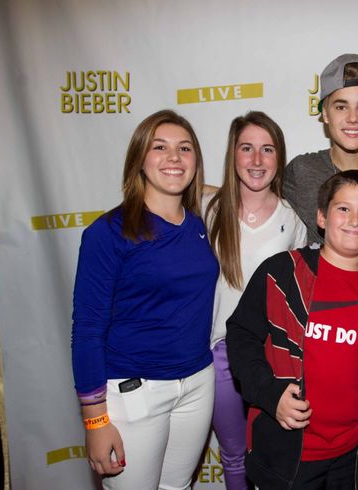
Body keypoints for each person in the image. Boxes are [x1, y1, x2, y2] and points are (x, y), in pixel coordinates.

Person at [71, 109, 218, 489]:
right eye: (160, 147)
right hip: (135, 392)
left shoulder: (197, 225)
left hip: (198, 384)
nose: (174, 157)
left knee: (178, 487)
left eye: (184, 148)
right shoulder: (108, 233)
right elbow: (87, 330)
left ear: (195, 161)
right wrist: (95, 420)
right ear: (139, 159)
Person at [226, 170, 358, 489]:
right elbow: (241, 337)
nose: (354, 219)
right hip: (287, 453)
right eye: (343, 208)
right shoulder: (282, 273)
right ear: (321, 217)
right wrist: (269, 394)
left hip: (354, 455)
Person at [203, 111, 306, 490]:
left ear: (279, 158)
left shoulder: (293, 220)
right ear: (233, 155)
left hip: (273, 357)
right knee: (233, 455)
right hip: (220, 355)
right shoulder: (207, 210)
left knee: (274, 455)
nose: (257, 160)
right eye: (247, 149)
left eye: (267, 149)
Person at [284, 53, 358, 277]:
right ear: (324, 113)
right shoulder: (302, 171)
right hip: (325, 303)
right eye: (341, 107)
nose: (353, 118)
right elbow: (256, 198)